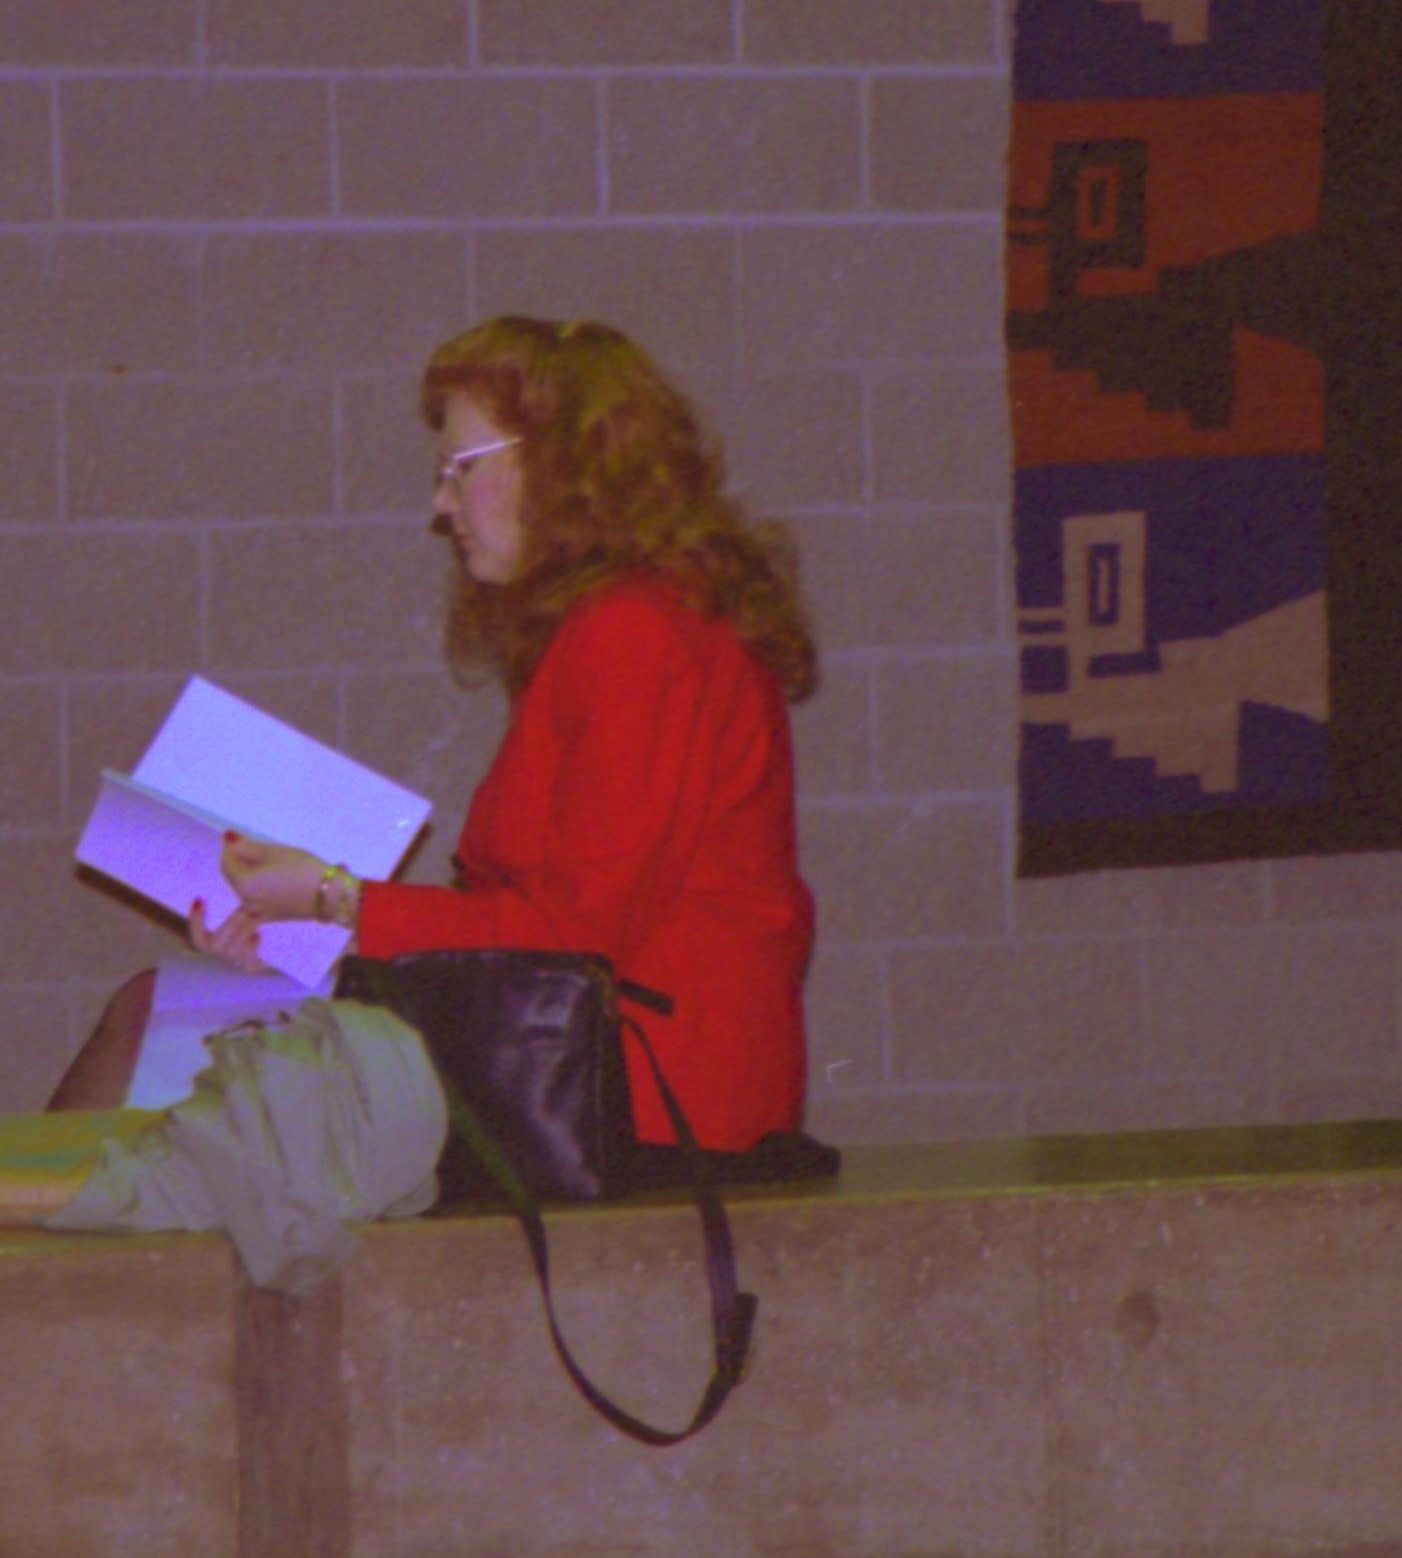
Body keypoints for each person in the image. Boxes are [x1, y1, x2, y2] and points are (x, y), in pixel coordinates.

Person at [48, 316, 828, 1175]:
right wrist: (297, 925)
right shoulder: (625, 625)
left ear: (567, 467)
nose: (440, 506)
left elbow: (573, 934)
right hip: (580, 1066)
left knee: (155, 1022)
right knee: (176, 1020)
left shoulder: (637, 636)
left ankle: (22, 1280)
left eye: (462, 471)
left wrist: (336, 900)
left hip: (640, 1098)